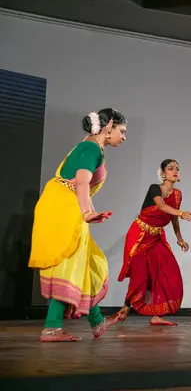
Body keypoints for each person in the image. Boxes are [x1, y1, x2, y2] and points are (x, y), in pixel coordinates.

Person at [28, 108, 127, 342]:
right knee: (70, 265)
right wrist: (85, 213)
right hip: (62, 207)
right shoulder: (91, 147)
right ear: (109, 125)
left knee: (87, 263)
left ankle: (96, 321)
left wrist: (90, 212)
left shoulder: (92, 146)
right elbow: (81, 182)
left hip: (66, 204)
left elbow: (83, 186)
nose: (124, 137)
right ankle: (51, 329)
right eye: (122, 131)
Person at [113, 159, 191, 326]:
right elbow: (162, 206)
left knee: (167, 271)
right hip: (140, 235)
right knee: (140, 276)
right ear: (163, 173)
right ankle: (124, 310)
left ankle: (157, 315)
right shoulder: (154, 188)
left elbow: (172, 217)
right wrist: (182, 213)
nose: (175, 171)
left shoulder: (178, 194)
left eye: (177, 169)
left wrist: (180, 239)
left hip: (157, 237)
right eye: (171, 168)